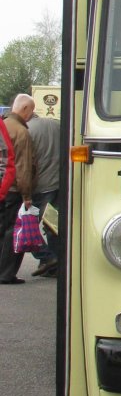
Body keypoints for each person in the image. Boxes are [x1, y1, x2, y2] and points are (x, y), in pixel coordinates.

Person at [0, 94, 38, 285]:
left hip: (2, 187)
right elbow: (23, 166)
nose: (32, 115)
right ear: (25, 109)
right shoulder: (21, 132)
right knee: (11, 232)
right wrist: (27, 195)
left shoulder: (3, 125)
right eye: (31, 110)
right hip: (14, 190)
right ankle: (6, 273)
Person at [27, 112, 60, 278]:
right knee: (52, 223)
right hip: (59, 183)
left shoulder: (28, 129)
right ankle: (55, 263)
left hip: (40, 186)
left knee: (28, 226)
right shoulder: (57, 125)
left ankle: (46, 256)